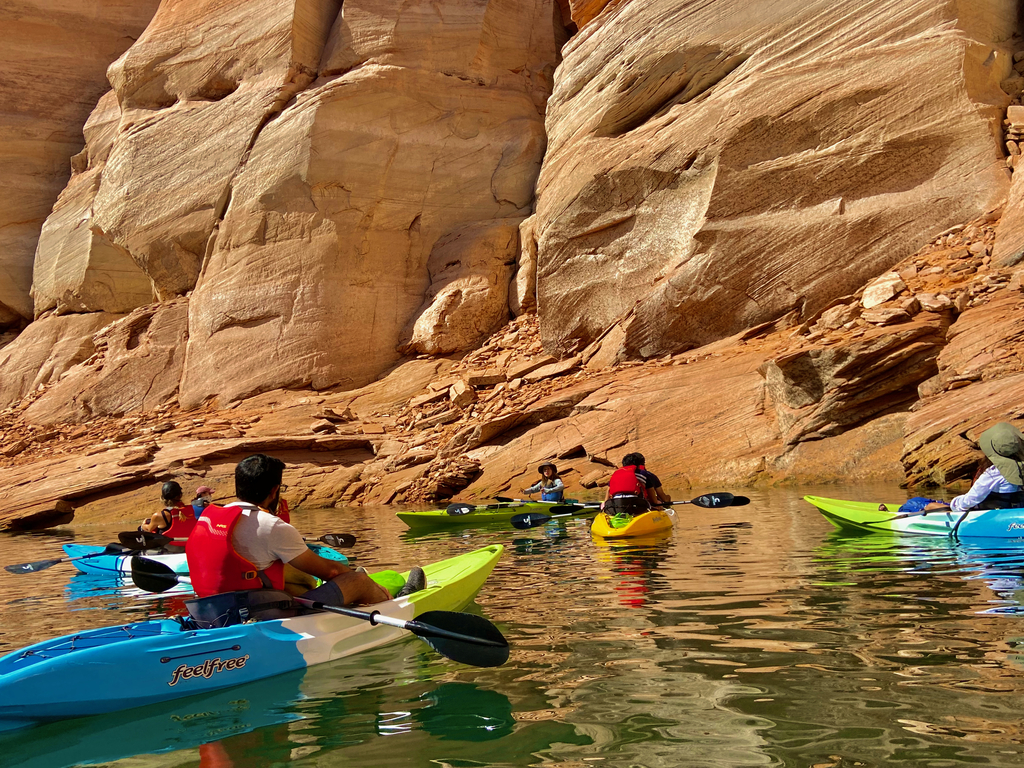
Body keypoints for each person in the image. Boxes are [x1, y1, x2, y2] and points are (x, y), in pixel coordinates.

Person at [186, 454, 424, 611]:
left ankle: (352, 597)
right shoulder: (270, 525)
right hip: (261, 615)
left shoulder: (209, 520)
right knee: (356, 579)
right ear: (274, 490)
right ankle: (396, 600)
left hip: (214, 610)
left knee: (293, 581)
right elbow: (330, 570)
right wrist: (353, 579)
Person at [923, 422, 1024, 514]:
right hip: (1017, 512)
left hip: (993, 516)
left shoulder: (993, 474)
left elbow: (968, 502)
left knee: (930, 506)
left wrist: (953, 504)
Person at [601, 453, 666, 515]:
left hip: (616, 507)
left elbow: (607, 495)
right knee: (658, 504)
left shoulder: (616, 474)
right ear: (638, 465)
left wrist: (605, 505)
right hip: (636, 507)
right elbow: (653, 500)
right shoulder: (644, 474)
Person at [139, 480, 197, 548]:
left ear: (163, 498)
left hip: (170, 547)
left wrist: (143, 525)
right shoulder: (193, 510)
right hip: (189, 546)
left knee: (142, 529)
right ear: (180, 495)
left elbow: (148, 529)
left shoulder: (160, 515)